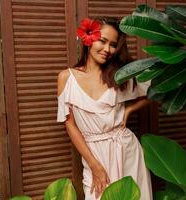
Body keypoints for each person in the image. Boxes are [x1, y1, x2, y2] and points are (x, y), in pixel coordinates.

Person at [57, 17, 153, 200]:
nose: (108, 49)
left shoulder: (120, 75)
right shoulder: (66, 78)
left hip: (126, 150)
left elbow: (158, 92)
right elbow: (70, 125)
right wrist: (94, 166)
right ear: (88, 39)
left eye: (113, 45)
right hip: (94, 153)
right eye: (103, 41)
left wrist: (129, 110)